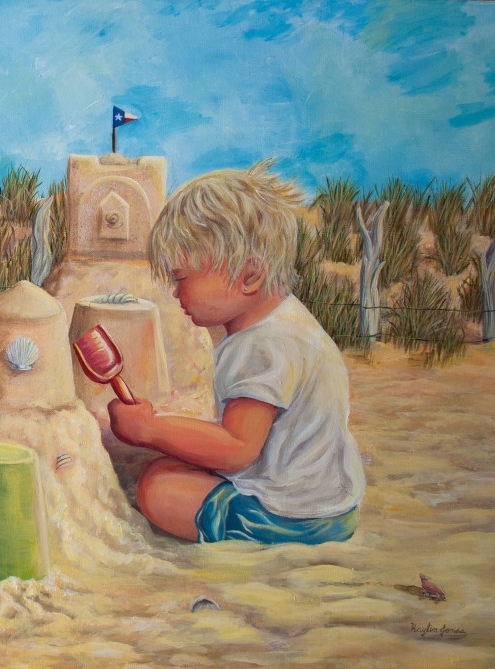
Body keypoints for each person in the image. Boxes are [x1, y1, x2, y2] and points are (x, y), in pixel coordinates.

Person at [108, 160, 365, 545]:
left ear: (250, 275)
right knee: (172, 464)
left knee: (158, 487)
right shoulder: (287, 322)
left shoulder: (262, 346)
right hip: (329, 504)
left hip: (293, 517)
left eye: (182, 278)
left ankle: (249, 536)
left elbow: (237, 448)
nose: (175, 293)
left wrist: (150, 429)